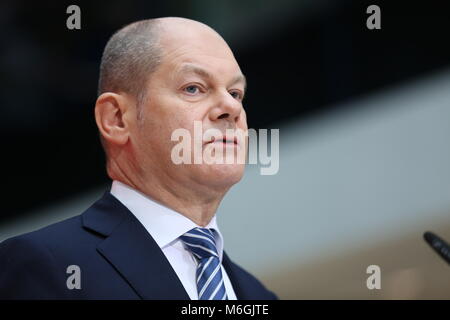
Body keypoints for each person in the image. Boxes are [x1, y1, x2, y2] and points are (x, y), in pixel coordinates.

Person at [0, 17, 278, 300]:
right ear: (117, 118)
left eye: (235, 93)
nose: (231, 107)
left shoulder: (259, 296)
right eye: (193, 88)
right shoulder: (48, 265)